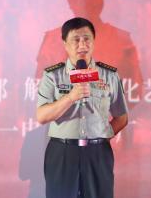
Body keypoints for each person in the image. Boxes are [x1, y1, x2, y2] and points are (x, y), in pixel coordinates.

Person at [36, 17, 129, 198]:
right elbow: (42, 116)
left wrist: (101, 134)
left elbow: (122, 117)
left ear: (93, 41)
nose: (82, 45)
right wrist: (70, 97)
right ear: (65, 44)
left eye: (87, 39)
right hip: (62, 152)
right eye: (76, 40)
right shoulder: (53, 76)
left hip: (98, 152)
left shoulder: (108, 75)